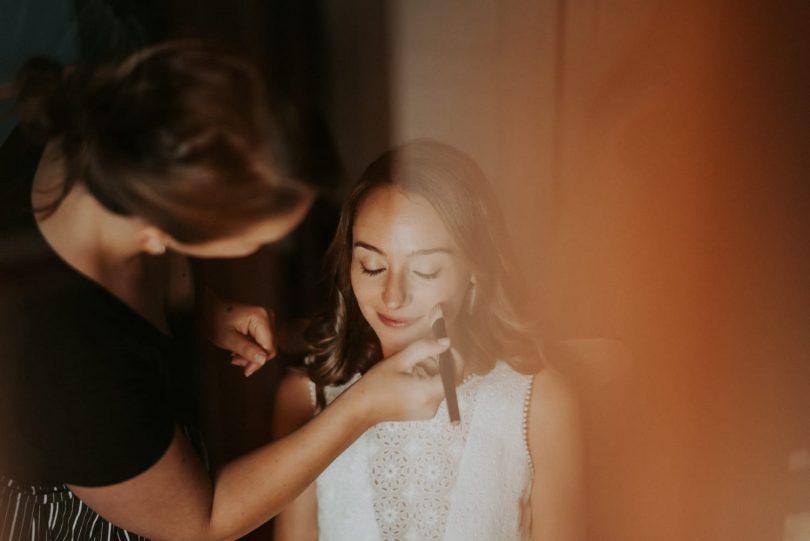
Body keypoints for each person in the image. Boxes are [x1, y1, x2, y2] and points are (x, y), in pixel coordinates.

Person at [0, 42, 451, 541]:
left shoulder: (118, 139)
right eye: (258, 240)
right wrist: (365, 404)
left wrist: (201, 307)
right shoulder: (73, 361)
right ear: (160, 233)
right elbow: (202, 520)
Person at [273, 140, 585, 541]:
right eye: (372, 266)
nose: (393, 296)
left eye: (425, 270)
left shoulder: (539, 403)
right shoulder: (305, 396)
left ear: (476, 270)